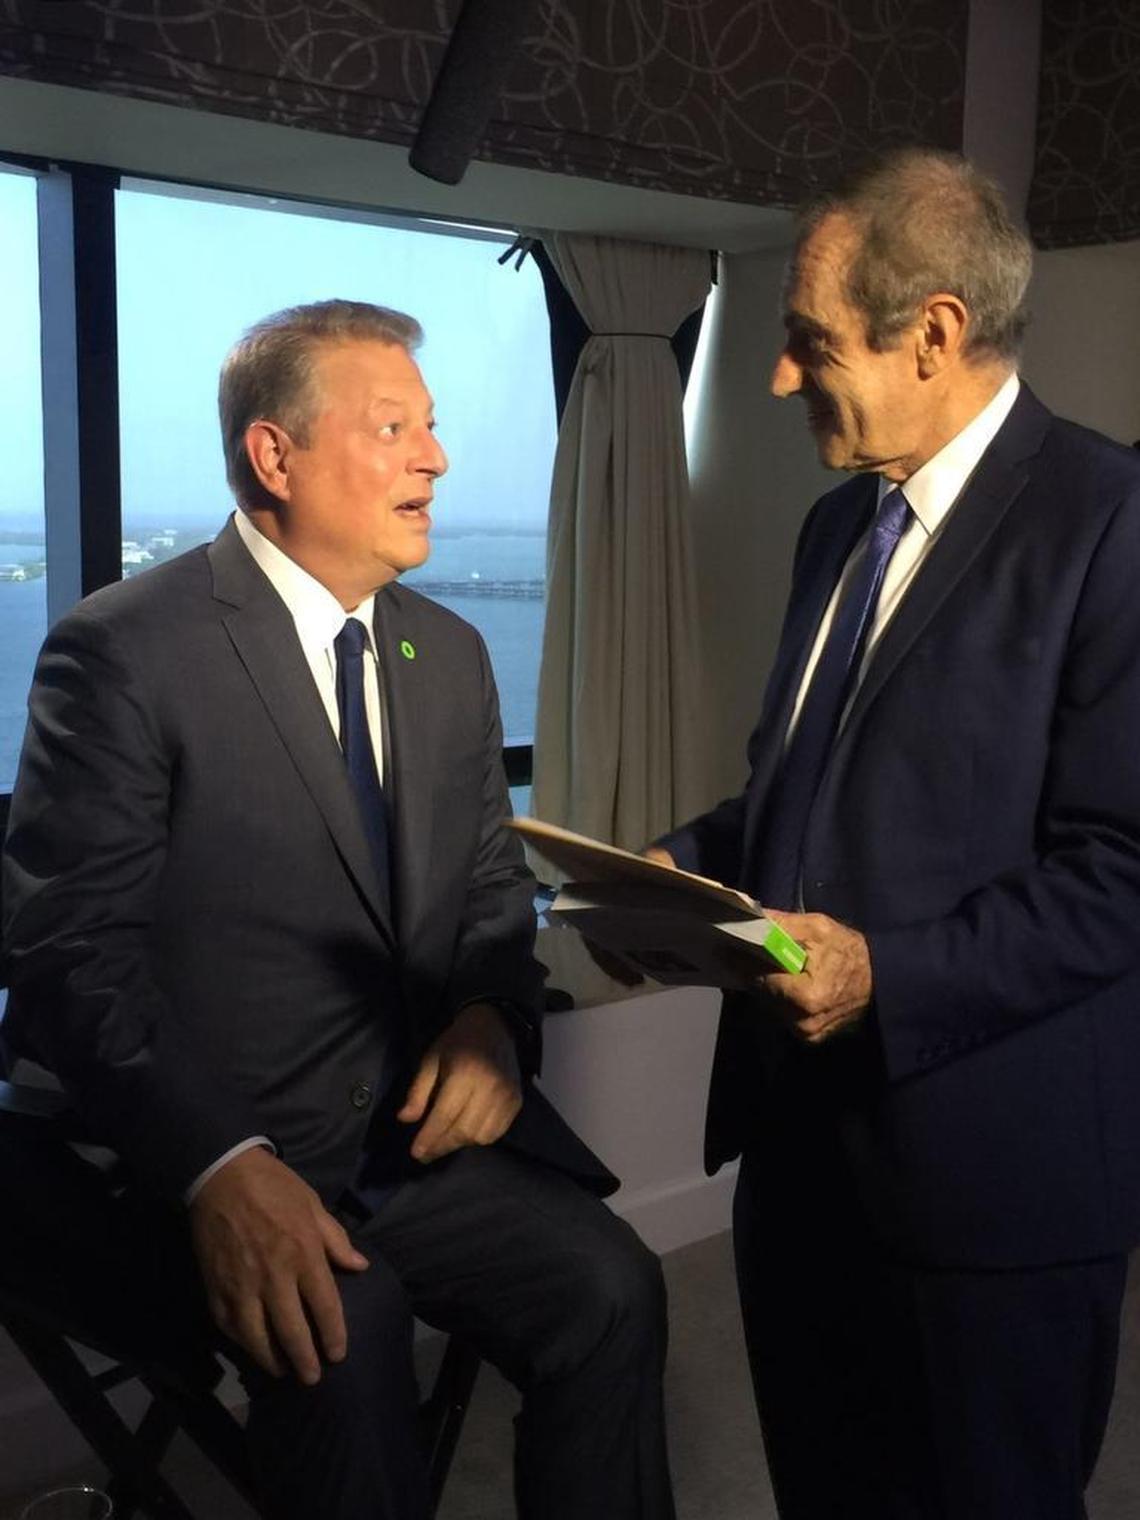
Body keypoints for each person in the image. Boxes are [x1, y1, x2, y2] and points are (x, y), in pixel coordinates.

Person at [2, 300, 675, 1520]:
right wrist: (216, 1164)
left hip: (403, 1145)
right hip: (192, 1153)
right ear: (276, 456)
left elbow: (486, 899)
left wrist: (485, 1018)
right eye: (394, 427)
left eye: (433, 426)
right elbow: (65, 957)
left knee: (614, 1283)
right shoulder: (122, 652)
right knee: (345, 1327)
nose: (437, 458)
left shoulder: (453, 655)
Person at [652, 148, 1140, 1520]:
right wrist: (666, 881)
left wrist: (885, 977)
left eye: (807, 343)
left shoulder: (1114, 526)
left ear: (933, 334)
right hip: (796, 1171)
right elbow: (797, 803)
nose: (778, 380)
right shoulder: (832, 531)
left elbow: (1123, 874)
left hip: (993, 1196)